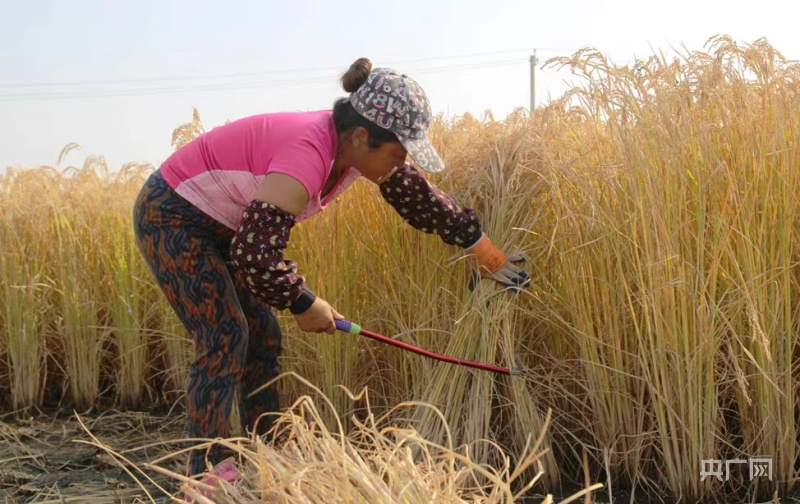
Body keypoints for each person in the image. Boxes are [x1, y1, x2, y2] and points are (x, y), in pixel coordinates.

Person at [132, 57, 531, 492]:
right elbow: (254, 252)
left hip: (224, 228)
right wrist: (304, 302)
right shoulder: (308, 154)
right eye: (397, 154)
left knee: (263, 333)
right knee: (225, 334)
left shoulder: (357, 150)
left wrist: (484, 250)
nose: (400, 166)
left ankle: (268, 450)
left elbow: (417, 195)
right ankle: (204, 473)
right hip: (172, 214)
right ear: (361, 136)